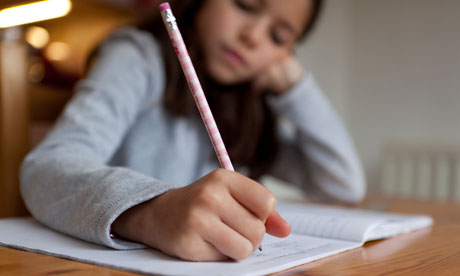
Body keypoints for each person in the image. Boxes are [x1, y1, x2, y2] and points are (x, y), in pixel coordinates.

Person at [20, 0, 365, 262]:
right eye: (245, 5)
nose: (252, 37)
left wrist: (296, 87)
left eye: (278, 37)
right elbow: (45, 169)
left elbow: (343, 183)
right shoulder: (139, 59)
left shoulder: (248, 110)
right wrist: (153, 212)